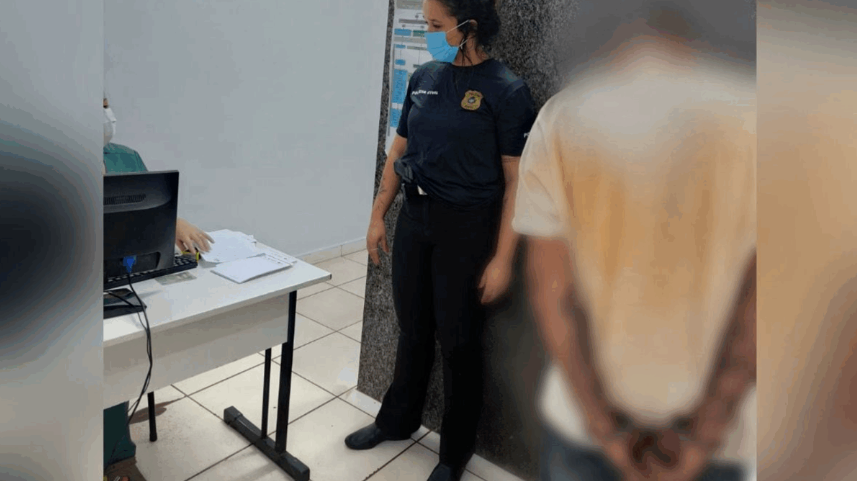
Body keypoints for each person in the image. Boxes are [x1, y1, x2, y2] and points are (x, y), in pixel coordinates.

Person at [513, 3, 756, 481]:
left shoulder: (562, 117)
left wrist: (607, 431)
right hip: (715, 440)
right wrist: (702, 436)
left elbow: (551, 292)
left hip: (583, 426)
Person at [343, 0, 535, 480]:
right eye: (425, 23)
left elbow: (517, 182)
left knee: (458, 342)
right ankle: (397, 419)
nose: (428, 32)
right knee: (412, 327)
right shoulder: (424, 77)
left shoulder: (507, 90)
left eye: (435, 24)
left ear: (469, 26)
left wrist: (503, 259)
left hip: (467, 228)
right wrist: (377, 215)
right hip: (416, 218)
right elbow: (399, 148)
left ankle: (453, 454)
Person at [102, 96, 213, 472]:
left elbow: (147, 213)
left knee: (119, 361)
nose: (105, 114)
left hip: (123, 285)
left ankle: (116, 454)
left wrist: (175, 223)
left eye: (105, 103)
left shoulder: (125, 157)